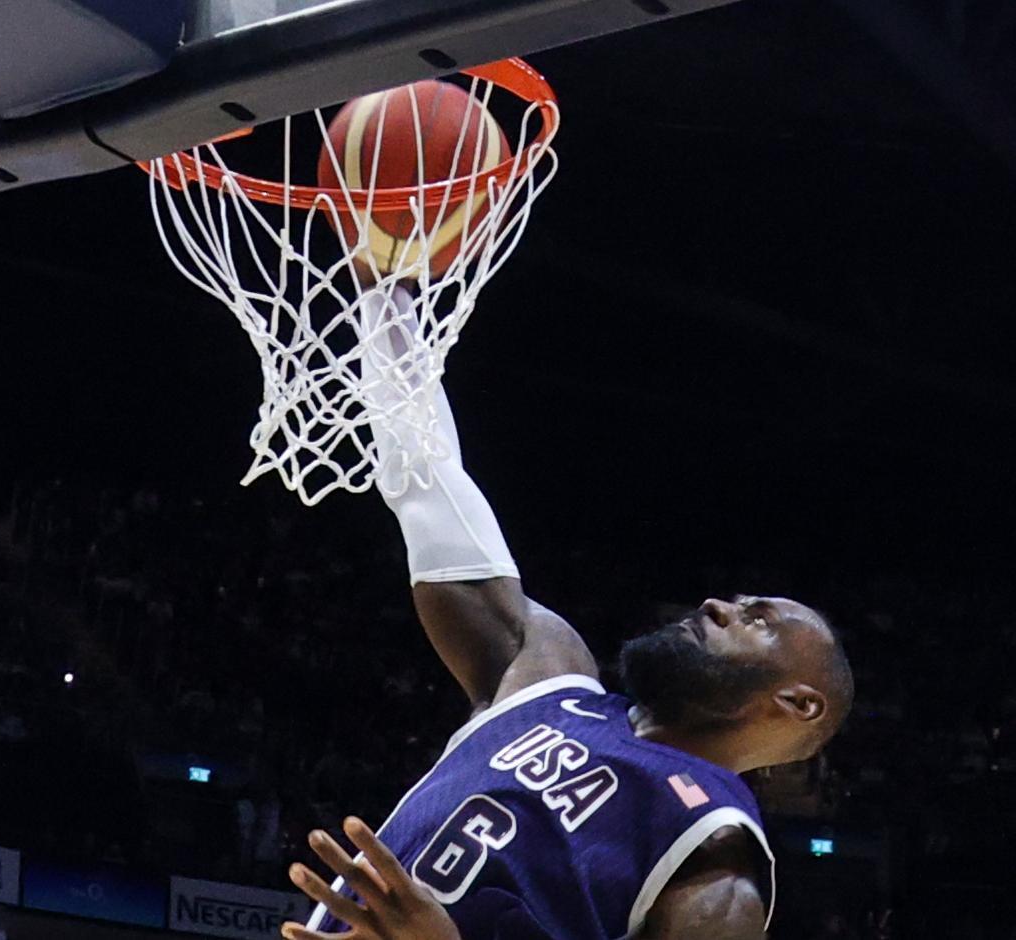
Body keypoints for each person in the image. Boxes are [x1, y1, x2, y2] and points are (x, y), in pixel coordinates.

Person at [283, 287, 854, 940]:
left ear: (798, 702)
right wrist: (384, 293)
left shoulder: (712, 859)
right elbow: (426, 482)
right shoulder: (545, 676)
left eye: (757, 620)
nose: (716, 604)